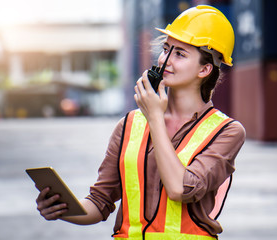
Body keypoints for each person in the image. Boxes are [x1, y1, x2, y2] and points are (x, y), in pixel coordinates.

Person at [36, 5, 246, 239]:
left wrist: (155, 117)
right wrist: (63, 209)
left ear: (205, 69)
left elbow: (180, 189)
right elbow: (99, 202)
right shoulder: (128, 125)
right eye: (166, 49)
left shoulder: (226, 132)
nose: (165, 59)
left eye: (180, 54)